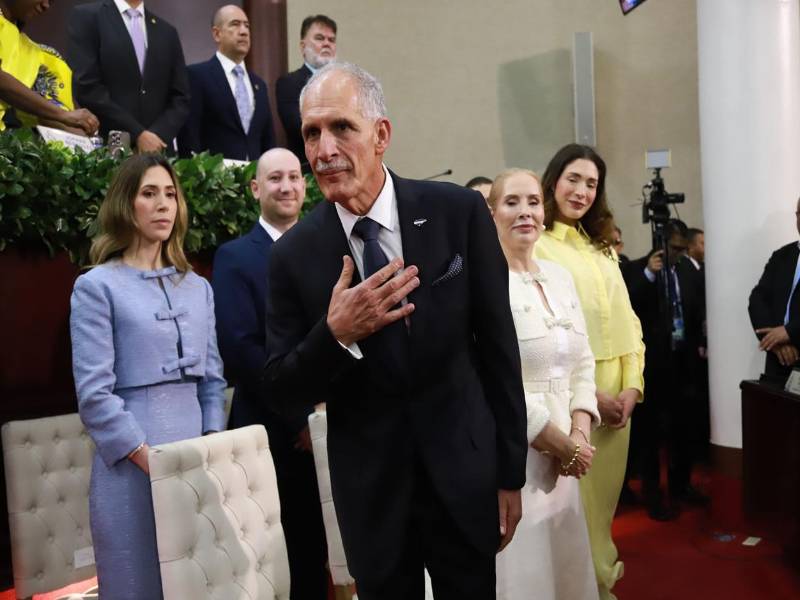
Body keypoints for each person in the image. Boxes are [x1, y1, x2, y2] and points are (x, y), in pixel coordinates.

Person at [264, 62, 527, 600]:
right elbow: (280, 388)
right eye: (311, 133)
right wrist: (335, 334)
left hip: (465, 476)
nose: (324, 148)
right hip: (374, 496)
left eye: (341, 127)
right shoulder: (292, 255)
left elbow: (498, 350)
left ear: (381, 134)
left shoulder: (458, 213)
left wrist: (509, 472)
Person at [70, 154, 226, 600]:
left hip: (198, 466)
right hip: (128, 471)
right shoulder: (96, 287)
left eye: (171, 195)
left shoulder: (198, 287)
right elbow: (95, 396)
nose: (163, 205)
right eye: (149, 193)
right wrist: (149, 459)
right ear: (126, 204)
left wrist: (210, 445)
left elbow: (213, 381)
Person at [211, 147, 327, 599]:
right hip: (271, 432)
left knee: (331, 551)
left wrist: (326, 411)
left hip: (333, 426)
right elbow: (241, 348)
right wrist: (301, 417)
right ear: (256, 188)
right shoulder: (235, 257)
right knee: (283, 556)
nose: (286, 186)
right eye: (275, 178)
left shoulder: (329, 249)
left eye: (295, 177)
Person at [534, 143, 644, 600]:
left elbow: (630, 322)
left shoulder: (603, 248)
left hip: (621, 394)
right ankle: (589, 586)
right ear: (554, 180)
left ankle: (600, 579)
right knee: (575, 505)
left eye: (591, 184)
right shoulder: (536, 242)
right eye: (573, 179)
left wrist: (634, 386)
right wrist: (591, 393)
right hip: (572, 392)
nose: (581, 191)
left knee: (603, 508)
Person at [489, 168, 600, 600]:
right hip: (519, 457)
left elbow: (583, 362)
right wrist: (556, 441)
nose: (525, 213)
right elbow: (496, 382)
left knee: (565, 570)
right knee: (524, 577)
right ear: (492, 212)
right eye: (512, 202)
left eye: (533, 202)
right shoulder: (486, 283)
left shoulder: (559, 276)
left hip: (569, 461)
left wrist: (580, 434)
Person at [623, 220, 707, 520]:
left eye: (683, 250)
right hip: (652, 366)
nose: (679, 255)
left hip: (683, 362)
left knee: (684, 429)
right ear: (661, 245)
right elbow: (628, 305)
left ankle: (681, 485)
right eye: (674, 249)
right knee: (649, 434)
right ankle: (652, 493)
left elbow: (697, 310)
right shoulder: (638, 269)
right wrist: (649, 274)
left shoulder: (687, 271)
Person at [67, 0, 190, 152]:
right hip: (110, 147)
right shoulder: (88, 16)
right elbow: (86, 86)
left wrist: (156, 136)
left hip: (159, 150)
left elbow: (181, 98)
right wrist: (137, 133)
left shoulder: (167, 31)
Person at [177, 5, 275, 161]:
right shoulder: (197, 76)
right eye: (235, 24)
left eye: (247, 26)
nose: (243, 31)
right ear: (217, 34)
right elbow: (189, 136)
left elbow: (268, 141)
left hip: (255, 180)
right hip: (215, 181)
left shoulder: (259, 85)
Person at [0, 0, 98, 134]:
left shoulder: (36, 53)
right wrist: (62, 115)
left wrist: (83, 134)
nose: (46, 5)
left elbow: (48, 113)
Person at [749, 196, 800, 381]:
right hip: (778, 361)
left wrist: (789, 331)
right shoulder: (781, 256)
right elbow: (757, 299)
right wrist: (775, 341)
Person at [275, 14, 336, 167]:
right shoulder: (289, 83)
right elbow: (299, 127)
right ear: (303, 47)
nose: (326, 44)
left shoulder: (343, 84)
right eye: (320, 38)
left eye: (331, 40)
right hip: (307, 169)